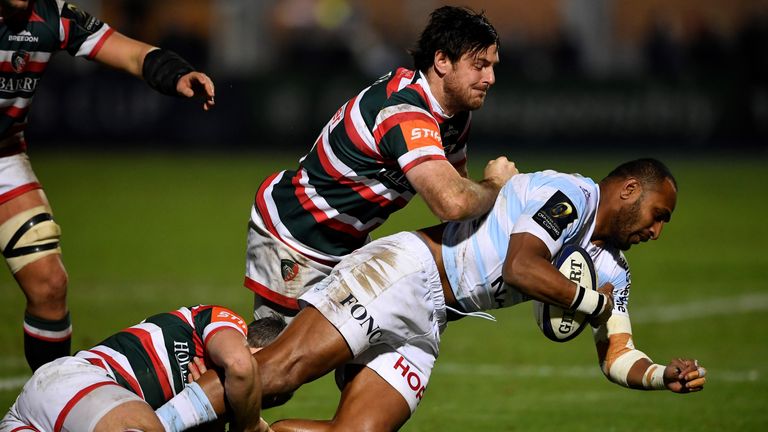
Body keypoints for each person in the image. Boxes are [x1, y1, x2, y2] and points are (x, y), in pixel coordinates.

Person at [198, 158, 707, 431]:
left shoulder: (611, 266)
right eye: (658, 215)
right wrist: (590, 303)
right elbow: (522, 267)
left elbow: (617, 353)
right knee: (278, 373)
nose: (657, 232)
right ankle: (154, 422)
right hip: (401, 275)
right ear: (628, 191)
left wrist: (662, 375)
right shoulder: (570, 197)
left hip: (432, 319)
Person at [245, 5, 518, 322]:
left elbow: (461, 193)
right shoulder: (403, 110)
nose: (490, 78)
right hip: (296, 235)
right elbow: (453, 203)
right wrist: (497, 184)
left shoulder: (455, 115)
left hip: (349, 245)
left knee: (372, 357)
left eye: (492, 66)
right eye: (479, 66)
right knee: (272, 361)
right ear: (442, 61)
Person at [0, 0, 215, 371]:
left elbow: (128, 52)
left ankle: (50, 400)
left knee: (49, 285)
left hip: (4, 160)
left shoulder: (51, 16)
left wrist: (176, 74)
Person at [0, 305, 286, 432]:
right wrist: (248, 427)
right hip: (73, 382)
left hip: (48, 417)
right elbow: (239, 365)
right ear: (260, 353)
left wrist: (211, 420)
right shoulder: (226, 323)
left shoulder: (219, 397)